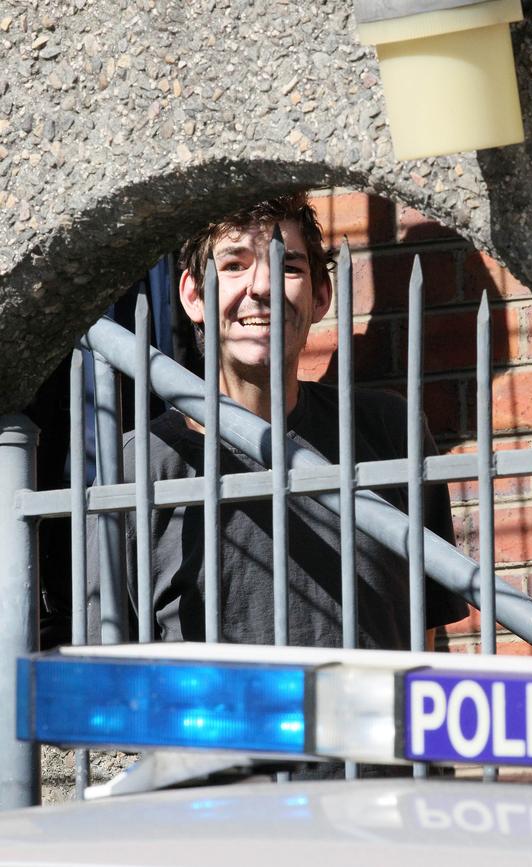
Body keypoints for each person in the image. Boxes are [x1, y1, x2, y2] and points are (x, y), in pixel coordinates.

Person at [88, 192, 467, 648]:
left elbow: (422, 628)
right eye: (233, 266)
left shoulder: (390, 428)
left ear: (321, 296)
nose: (262, 287)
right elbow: (110, 662)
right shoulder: (139, 467)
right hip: (220, 720)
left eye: (287, 266)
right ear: (192, 297)